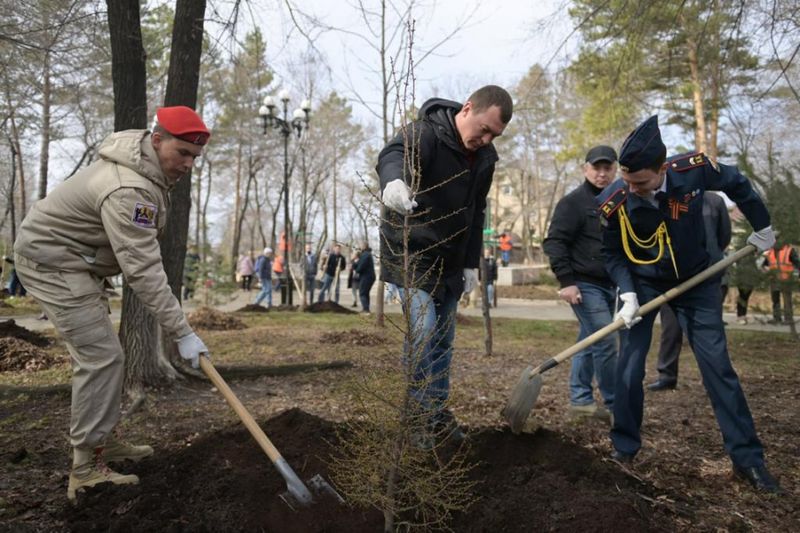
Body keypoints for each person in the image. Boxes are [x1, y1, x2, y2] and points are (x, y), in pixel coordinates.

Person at [12, 106, 212, 501]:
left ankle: (100, 440)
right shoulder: (128, 190)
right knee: (101, 357)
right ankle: (85, 468)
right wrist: (182, 331)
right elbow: (144, 271)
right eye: (182, 153)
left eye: (195, 156)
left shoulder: (145, 168)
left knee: (105, 355)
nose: (188, 164)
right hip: (52, 263)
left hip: (74, 263)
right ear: (157, 140)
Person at [596, 115, 781, 493]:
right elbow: (613, 254)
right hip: (644, 286)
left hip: (697, 282)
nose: (633, 189)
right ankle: (624, 447)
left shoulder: (692, 171)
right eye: (628, 182)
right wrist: (627, 293)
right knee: (629, 368)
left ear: (662, 168)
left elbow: (738, 183)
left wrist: (762, 225)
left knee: (718, 367)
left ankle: (748, 459)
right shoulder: (614, 201)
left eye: (641, 182)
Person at [377, 85, 513, 446]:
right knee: (422, 330)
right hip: (411, 250)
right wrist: (393, 181)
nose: (485, 139)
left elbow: (476, 209)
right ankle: (417, 418)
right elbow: (392, 154)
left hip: (450, 258)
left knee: (442, 339)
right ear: (467, 108)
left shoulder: (485, 159)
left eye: (493, 136)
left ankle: (435, 412)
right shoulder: (425, 132)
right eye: (483, 129)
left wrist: (471, 263)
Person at [543, 145, 619, 423]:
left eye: (607, 168)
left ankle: (581, 401)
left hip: (611, 284)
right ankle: (615, 405)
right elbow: (554, 242)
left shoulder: (619, 200)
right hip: (584, 285)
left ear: (615, 169)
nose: (601, 173)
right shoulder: (573, 202)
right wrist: (567, 282)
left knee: (589, 341)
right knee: (606, 340)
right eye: (596, 168)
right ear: (585, 169)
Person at [647, 192, 731, 391]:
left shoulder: (714, 201)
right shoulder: (670, 200)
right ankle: (667, 375)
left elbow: (724, 236)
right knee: (671, 329)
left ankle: (713, 379)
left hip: (709, 277)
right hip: (675, 279)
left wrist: (710, 256)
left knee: (709, 333)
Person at [763, 241, 799, 324]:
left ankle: (788, 319)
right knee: (775, 299)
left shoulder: (789, 250)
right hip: (774, 279)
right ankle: (777, 318)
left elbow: (797, 263)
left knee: (787, 300)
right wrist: (766, 271)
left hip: (786, 279)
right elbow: (764, 265)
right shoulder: (770, 252)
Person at [354, 242, 376, 313]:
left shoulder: (366, 255)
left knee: (362, 293)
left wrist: (357, 270)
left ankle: (366, 310)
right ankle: (366, 309)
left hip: (367, 277)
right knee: (365, 293)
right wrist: (354, 261)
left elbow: (360, 267)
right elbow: (357, 265)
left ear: (364, 246)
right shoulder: (364, 255)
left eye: (360, 245)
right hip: (367, 276)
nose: (359, 247)